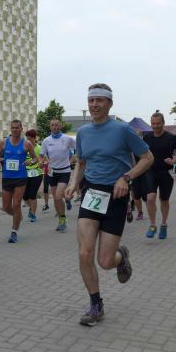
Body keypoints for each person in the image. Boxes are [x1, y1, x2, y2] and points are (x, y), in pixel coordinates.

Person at [64, 84, 153, 326]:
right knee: (84, 253)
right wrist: (73, 183)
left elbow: (148, 158)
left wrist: (126, 177)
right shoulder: (83, 132)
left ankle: (121, 257)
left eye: (99, 100)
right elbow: (81, 162)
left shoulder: (123, 130)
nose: (94, 105)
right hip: (92, 193)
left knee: (105, 261)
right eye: (91, 100)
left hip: (116, 194)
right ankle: (96, 305)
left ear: (110, 103)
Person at [140, 112, 176, 239]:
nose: (155, 126)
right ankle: (153, 225)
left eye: (158, 123)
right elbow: (141, 153)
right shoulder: (147, 137)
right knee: (150, 198)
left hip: (166, 172)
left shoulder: (171, 137)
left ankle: (164, 224)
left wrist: (174, 161)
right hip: (150, 171)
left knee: (164, 200)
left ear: (163, 123)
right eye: (153, 124)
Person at [0, 120, 39, 243]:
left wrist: (30, 162)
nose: (15, 130)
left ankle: (14, 231)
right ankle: (18, 215)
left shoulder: (26, 143)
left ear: (21, 129)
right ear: (10, 129)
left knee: (16, 204)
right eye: (13, 128)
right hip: (7, 177)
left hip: (20, 177)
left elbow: (35, 158)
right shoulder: (4, 142)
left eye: (17, 128)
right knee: (6, 207)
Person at [40, 119, 77, 232]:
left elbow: (78, 150)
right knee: (56, 198)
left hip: (64, 171)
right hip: (52, 172)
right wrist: (41, 162)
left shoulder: (67, 139)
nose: (55, 127)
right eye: (53, 125)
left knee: (57, 196)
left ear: (60, 126)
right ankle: (62, 212)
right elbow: (41, 155)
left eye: (57, 125)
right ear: (50, 127)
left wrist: (71, 161)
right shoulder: (46, 141)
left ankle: (63, 219)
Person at [22, 129, 44, 222]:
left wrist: (41, 163)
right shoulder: (24, 147)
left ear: (35, 138)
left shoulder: (39, 148)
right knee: (25, 196)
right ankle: (31, 208)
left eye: (30, 138)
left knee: (32, 195)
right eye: (27, 138)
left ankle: (33, 214)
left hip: (37, 173)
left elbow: (44, 159)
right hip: (25, 173)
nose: (28, 140)